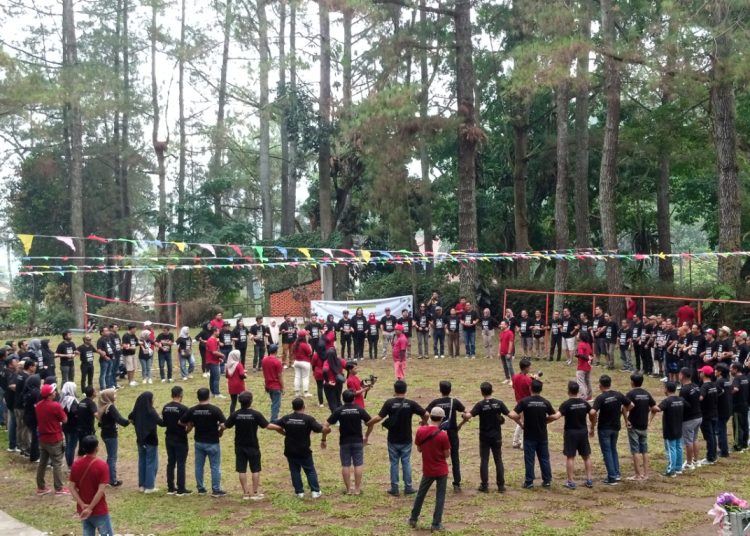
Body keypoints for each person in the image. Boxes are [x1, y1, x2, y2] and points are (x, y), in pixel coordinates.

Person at [367, 380, 427, 496]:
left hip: (393, 438)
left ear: (395, 390)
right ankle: (408, 487)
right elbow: (426, 414)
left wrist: (369, 423)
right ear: (406, 390)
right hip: (406, 438)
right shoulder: (411, 403)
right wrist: (424, 422)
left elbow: (379, 418)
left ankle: (394, 488)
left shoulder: (389, 403)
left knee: (394, 463)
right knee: (406, 462)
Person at [225, 390, 280, 500]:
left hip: (239, 445)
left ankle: (245, 493)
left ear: (240, 402)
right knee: (255, 469)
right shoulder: (255, 414)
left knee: (241, 469)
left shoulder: (236, 414)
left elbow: (225, 425)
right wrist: (280, 428)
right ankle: (255, 493)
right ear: (251, 401)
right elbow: (267, 426)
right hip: (253, 445)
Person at [322, 389, 374, 495]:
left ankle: (349, 489)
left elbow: (326, 425)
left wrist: (324, 438)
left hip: (344, 441)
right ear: (354, 398)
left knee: (345, 465)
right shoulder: (359, 409)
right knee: (358, 464)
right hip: (357, 441)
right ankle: (357, 489)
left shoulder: (339, 410)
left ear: (342, 399)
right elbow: (370, 422)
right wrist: (366, 436)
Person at [407, 407, 451, 533]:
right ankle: (436, 523)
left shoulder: (420, 431)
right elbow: (447, 454)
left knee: (421, 494)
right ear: (442, 419)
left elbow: (419, 449)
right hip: (441, 470)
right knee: (440, 497)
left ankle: (413, 519)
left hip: (428, 469)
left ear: (430, 416)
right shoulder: (443, 435)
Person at [508, 379, 557, 489]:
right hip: (542, 435)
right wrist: (545, 421)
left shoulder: (525, 401)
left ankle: (529, 482)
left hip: (529, 436)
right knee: (544, 458)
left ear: (530, 388)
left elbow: (512, 414)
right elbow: (554, 416)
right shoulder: (545, 402)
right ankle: (547, 480)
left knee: (529, 459)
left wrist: (520, 423)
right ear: (541, 389)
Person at [462, 381, 510, 493]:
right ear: (492, 390)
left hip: (484, 437)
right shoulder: (499, 403)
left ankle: (484, 485)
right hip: (497, 436)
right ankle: (501, 486)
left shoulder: (480, 405)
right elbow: (510, 414)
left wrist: (463, 415)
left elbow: (468, 415)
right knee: (498, 460)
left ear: (481, 392)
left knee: (484, 460)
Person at [180, 387, 227, 497]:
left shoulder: (193, 410)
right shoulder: (215, 410)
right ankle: (216, 490)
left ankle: (201, 489)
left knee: (199, 466)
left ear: (198, 397)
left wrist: (190, 425)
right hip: (213, 442)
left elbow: (181, 422)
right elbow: (223, 424)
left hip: (199, 442)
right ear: (208, 396)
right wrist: (220, 432)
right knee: (215, 466)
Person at [275, 397, 325, 498]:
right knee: (310, 470)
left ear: (292, 407)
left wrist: (284, 433)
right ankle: (315, 491)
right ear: (303, 407)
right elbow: (320, 429)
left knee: (295, 471)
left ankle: (299, 492)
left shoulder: (286, 418)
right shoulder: (308, 419)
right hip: (304, 450)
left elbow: (276, 426)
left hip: (290, 450)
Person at [69, 435, 114, 536]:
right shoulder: (102, 465)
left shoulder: (76, 465)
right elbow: (101, 490)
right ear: (97, 448)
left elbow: (71, 487)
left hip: (83, 509)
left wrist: (82, 505)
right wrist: (90, 508)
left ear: (83, 448)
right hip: (99, 509)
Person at [591, 374, 632, 485]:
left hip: (604, 427)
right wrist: (623, 412)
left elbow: (593, 412)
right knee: (613, 449)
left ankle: (612, 477)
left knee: (607, 452)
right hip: (616, 426)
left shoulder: (600, 398)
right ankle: (616, 473)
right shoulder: (618, 394)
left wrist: (593, 424)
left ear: (600, 385)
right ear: (610, 383)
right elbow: (631, 405)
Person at [426, 381, 466, 491]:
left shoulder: (435, 402)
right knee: (455, 458)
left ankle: (435, 479)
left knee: (437, 457)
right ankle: (456, 484)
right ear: (450, 390)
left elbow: (425, 413)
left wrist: (426, 425)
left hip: (438, 434)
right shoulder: (454, 401)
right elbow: (467, 414)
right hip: (452, 433)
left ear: (440, 390)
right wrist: (460, 424)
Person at [554, 381, 594, 489]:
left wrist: (544, 419)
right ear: (578, 391)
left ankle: (571, 481)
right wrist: (592, 426)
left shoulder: (566, 404)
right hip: (582, 432)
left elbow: (556, 416)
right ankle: (589, 480)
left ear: (568, 391)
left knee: (570, 457)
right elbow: (592, 413)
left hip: (571, 433)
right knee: (586, 456)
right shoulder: (584, 403)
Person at [35, 383, 70, 496]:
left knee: (42, 463)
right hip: (54, 438)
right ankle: (59, 488)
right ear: (49, 395)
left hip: (43, 438)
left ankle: (41, 487)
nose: (55, 392)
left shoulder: (38, 405)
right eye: (53, 391)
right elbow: (64, 420)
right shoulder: (55, 405)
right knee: (57, 463)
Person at [128, 391, 164, 493]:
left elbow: (130, 417)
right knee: (152, 463)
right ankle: (149, 486)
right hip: (151, 440)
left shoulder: (136, 411)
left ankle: (142, 485)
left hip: (140, 440)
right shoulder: (151, 411)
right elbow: (161, 423)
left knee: (142, 462)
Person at [650, 382, 685, 477]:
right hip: (679, 428)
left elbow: (657, 409)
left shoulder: (667, 401)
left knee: (671, 449)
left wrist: (650, 406)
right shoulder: (681, 400)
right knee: (678, 447)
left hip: (670, 429)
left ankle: (670, 470)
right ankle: (678, 468)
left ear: (666, 389)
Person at [625, 373, 656, 480]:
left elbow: (624, 408)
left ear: (632, 382)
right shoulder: (646, 393)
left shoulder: (630, 394)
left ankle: (638, 474)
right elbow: (655, 408)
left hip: (633, 426)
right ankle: (646, 474)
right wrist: (649, 420)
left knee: (635, 451)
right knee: (644, 450)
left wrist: (626, 420)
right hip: (644, 425)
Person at [162, 385, 191, 496]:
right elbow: (189, 423)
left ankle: (170, 487)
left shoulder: (165, 407)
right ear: (181, 395)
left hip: (169, 437)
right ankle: (181, 488)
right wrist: (187, 431)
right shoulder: (184, 409)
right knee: (181, 463)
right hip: (180, 438)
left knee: (171, 463)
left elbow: (164, 423)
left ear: (172, 395)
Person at [98, 388, 129, 487]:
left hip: (105, 434)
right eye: (114, 394)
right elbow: (120, 419)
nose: (115, 396)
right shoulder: (110, 407)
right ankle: (112, 480)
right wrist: (130, 421)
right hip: (111, 435)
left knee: (110, 457)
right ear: (108, 396)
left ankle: (107, 477)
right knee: (112, 457)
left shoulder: (102, 406)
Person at [678, 366, 702, 469]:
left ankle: (689, 462)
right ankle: (696, 460)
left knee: (688, 441)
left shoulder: (684, 390)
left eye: (679, 374)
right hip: (698, 416)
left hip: (689, 419)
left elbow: (681, 404)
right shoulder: (696, 386)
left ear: (682, 376)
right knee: (695, 439)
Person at [510, 358, 534, 449]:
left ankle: (515, 441)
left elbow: (514, 387)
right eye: (529, 367)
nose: (530, 368)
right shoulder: (528, 379)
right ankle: (524, 444)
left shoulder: (515, 377)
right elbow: (532, 391)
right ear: (525, 368)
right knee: (526, 423)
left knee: (520, 422)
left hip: (519, 402)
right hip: (527, 403)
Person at [698, 365, 719, 465]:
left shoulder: (704, 386)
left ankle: (710, 457)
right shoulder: (714, 385)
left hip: (706, 415)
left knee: (709, 436)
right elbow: (721, 392)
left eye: (701, 372)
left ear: (704, 374)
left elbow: (701, 398)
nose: (699, 373)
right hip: (714, 413)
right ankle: (714, 455)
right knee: (713, 435)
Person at [261, 344, 284, 421]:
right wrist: (283, 387)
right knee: (276, 403)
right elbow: (280, 376)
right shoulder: (277, 362)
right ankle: (274, 419)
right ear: (276, 351)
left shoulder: (264, 360)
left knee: (274, 402)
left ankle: (274, 415)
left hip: (268, 385)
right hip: (276, 386)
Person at [730, 362, 749, 452]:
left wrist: (728, 393)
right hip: (745, 405)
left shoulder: (737, 379)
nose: (730, 370)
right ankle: (745, 443)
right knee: (745, 424)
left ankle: (738, 445)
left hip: (738, 406)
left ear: (736, 369)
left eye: (731, 368)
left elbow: (736, 389)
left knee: (738, 426)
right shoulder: (745, 378)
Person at [60, 381, 79, 467]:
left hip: (65, 425)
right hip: (73, 426)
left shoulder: (63, 399)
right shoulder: (72, 401)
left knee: (68, 443)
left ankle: (68, 461)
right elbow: (75, 412)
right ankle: (70, 463)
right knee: (72, 445)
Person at [715, 363, 732, 458]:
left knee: (721, 430)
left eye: (716, 370)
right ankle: (722, 448)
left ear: (720, 372)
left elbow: (716, 396)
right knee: (722, 429)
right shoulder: (727, 381)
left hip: (721, 409)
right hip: (728, 408)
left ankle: (724, 451)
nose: (714, 371)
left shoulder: (719, 382)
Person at [322, 347, 346, 412]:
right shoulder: (340, 360)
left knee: (332, 402)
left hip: (330, 384)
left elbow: (324, 371)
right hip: (339, 383)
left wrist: (327, 381)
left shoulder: (327, 362)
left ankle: (335, 416)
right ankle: (341, 414)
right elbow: (348, 365)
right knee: (338, 399)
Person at [77, 385, 99, 455]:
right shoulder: (91, 403)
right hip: (88, 431)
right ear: (93, 393)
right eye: (95, 390)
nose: (96, 391)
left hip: (80, 430)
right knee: (92, 451)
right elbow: (96, 414)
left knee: (81, 451)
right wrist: (102, 420)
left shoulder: (81, 402)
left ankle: (79, 465)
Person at [205, 327, 225, 399]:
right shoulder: (211, 340)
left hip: (214, 360)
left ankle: (213, 392)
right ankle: (217, 393)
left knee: (213, 377)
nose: (219, 332)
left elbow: (213, 351)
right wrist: (222, 355)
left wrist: (219, 358)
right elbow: (214, 352)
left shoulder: (213, 340)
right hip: (212, 362)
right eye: (218, 331)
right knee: (216, 377)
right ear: (214, 332)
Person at [292, 330, 313, 398]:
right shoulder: (304, 344)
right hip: (305, 362)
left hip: (296, 362)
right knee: (305, 377)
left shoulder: (295, 343)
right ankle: (306, 392)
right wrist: (309, 346)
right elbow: (310, 353)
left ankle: (297, 392)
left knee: (297, 377)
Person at [225, 349, 246, 415]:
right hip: (239, 385)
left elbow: (227, 375)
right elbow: (241, 375)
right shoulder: (239, 365)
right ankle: (243, 413)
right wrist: (245, 375)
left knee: (233, 402)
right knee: (243, 400)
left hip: (231, 385)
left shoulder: (228, 365)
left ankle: (232, 415)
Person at [576, 331, 594, 400]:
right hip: (588, 366)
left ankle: (583, 397)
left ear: (581, 337)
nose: (577, 336)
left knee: (580, 382)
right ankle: (589, 396)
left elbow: (581, 355)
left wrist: (578, 355)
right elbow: (591, 354)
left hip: (581, 366)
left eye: (578, 334)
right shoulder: (588, 344)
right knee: (587, 381)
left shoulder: (581, 344)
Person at [498, 320, 515, 384]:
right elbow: (500, 343)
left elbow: (511, 343)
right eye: (501, 324)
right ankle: (507, 378)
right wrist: (499, 352)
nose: (501, 325)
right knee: (504, 366)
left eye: (502, 324)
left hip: (507, 353)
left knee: (509, 366)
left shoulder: (510, 333)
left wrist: (509, 353)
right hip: (502, 353)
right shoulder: (501, 333)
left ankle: (513, 380)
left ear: (506, 325)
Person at [311, 342, 326, 408]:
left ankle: (321, 403)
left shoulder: (315, 355)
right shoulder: (327, 354)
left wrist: (314, 371)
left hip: (318, 372)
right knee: (327, 387)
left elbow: (313, 364)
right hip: (326, 371)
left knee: (319, 387)